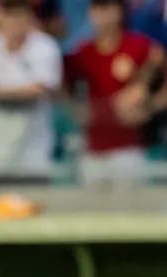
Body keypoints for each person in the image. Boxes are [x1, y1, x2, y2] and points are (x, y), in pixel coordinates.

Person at [65, 0, 165, 187]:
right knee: (91, 211)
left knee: (132, 211)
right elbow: (62, 87)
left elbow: (158, 65)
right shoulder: (83, 52)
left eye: (109, 9)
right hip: (93, 146)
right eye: (99, 10)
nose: (105, 17)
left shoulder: (139, 46)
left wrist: (150, 104)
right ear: (91, 13)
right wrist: (75, 110)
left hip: (130, 147)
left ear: (120, 12)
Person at [0, 0, 61, 182]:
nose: (15, 22)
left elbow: (40, 90)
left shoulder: (44, 47)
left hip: (31, 150)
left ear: (29, 19)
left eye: (19, 16)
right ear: (1, 19)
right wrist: (15, 91)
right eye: (10, 16)